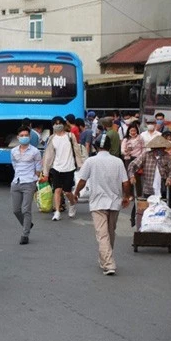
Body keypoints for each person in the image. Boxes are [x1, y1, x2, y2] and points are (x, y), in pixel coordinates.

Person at [74, 134, 132, 276]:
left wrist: (76, 192)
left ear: (95, 146)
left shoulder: (91, 161)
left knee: (102, 235)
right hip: (114, 202)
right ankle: (105, 259)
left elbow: (82, 180)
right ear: (109, 147)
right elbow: (125, 183)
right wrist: (126, 197)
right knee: (110, 233)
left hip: (98, 202)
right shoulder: (118, 162)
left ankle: (108, 263)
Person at [41, 116, 83, 221]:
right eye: (55, 123)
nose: (58, 125)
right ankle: (57, 212)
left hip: (69, 168)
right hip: (56, 168)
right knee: (57, 190)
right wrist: (45, 172)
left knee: (67, 191)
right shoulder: (51, 138)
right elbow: (48, 156)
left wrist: (80, 165)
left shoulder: (70, 136)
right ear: (53, 126)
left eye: (59, 123)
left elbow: (77, 151)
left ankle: (72, 204)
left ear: (64, 124)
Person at [10, 126, 42, 245]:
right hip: (16, 182)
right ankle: (27, 224)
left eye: (26, 135)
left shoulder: (35, 151)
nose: (24, 137)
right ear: (18, 137)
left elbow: (38, 168)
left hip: (29, 182)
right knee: (16, 210)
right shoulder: (14, 151)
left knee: (26, 209)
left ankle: (25, 234)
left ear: (30, 137)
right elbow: (14, 165)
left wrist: (34, 179)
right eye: (22, 135)